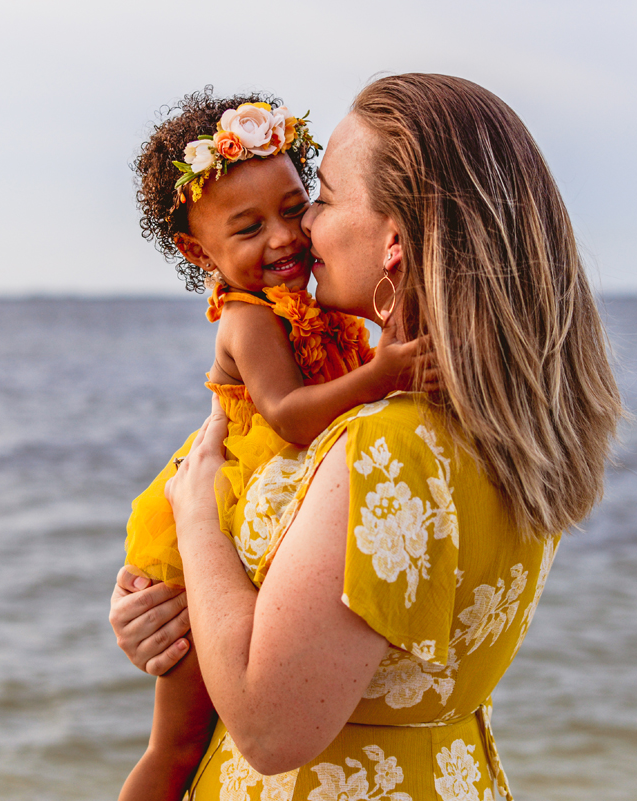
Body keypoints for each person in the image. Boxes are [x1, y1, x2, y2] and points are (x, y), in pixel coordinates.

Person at [111, 73, 624, 801]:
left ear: (395, 240)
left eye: (317, 197)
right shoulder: (499, 418)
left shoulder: (392, 443)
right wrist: (164, 606)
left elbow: (267, 727)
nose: (301, 229)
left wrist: (196, 520)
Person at [119, 88, 430, 801]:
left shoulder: (314, 306)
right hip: (211, 517)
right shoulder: (248, 319)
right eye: (249, 227)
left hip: (245, 507)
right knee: (177, 744)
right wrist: (384, 372)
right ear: (201, 251)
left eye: (296, 208)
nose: (285, 237)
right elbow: (290, 414)